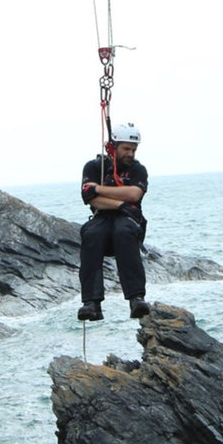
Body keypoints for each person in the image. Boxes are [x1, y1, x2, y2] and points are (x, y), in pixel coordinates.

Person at [77, 122, 151, 321]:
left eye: (133, 150)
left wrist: (99, 189)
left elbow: (134, 193)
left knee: (123, 232)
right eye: (126, 149)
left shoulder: (138, 170)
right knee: (91, 233)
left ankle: (136, 298)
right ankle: (91, 303)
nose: (130, 154)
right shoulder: (94, 167)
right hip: (104, 217)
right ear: (113, 147)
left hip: (128, 220)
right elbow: (89, 198)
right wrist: (119, 204)